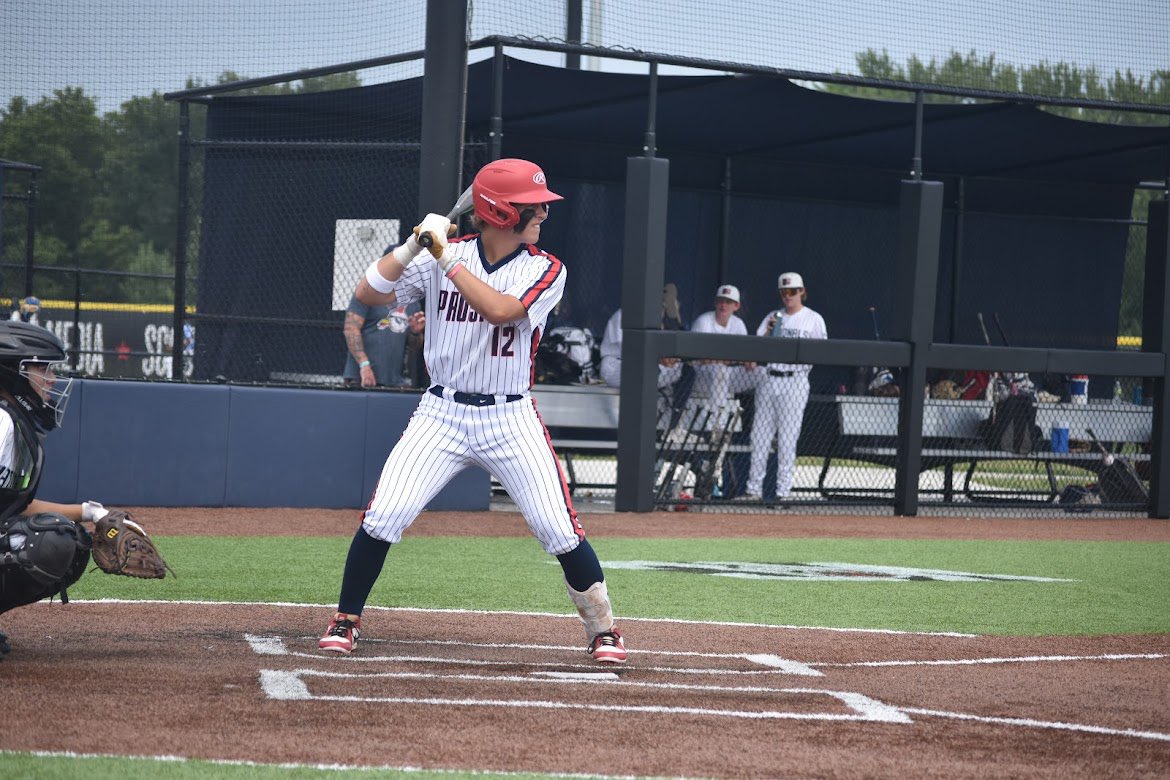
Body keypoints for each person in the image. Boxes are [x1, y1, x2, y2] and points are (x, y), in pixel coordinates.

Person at [318, 158, 626, 663]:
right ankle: (346, 618)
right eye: (533, 208)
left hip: (509, 416)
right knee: (385, 514)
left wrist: (443, 260)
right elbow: (367, 292)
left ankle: (605, 628)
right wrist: (414, 245)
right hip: (441, 413)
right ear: (501, 213)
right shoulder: (445, 252)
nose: (543, 215)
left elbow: (501, 310)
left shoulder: (545, 268)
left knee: (558, 528)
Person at [0, 321, 166, 660]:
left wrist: (91, 513)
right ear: (12, 372)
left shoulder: (11, 420)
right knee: (48, 541)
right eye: (41, 368)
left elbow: (12, 507)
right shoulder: (2, 422)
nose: (52, 379)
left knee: (73, 541)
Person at [739, 272, 827, 502]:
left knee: (787, 439)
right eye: (783, 292)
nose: (788, 296)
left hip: (795, 379)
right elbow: (757, 347)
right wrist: (769, 330)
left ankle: (782, 493)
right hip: (769, 377)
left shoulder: (813, 318)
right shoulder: (773, 316)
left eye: (792, 292)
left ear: (802, 292)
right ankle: (753, 490)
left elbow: (824, 350)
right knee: (759, 436)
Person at [342, 284, 425, 388]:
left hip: (395, 381)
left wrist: (415, 332)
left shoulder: (412, 301)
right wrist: (364, 366)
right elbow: (351, 329)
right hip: (360, 378)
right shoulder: (367, 291)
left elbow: (414, 346)